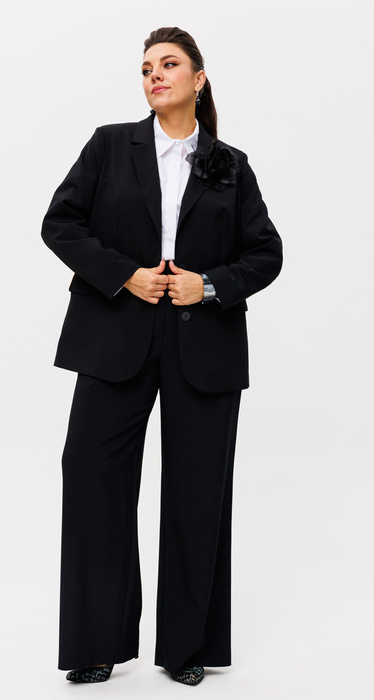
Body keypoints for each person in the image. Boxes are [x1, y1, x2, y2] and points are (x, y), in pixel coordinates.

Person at [40, 26, 283, 686]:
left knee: (198, 491)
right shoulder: (108, 145)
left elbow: (266, 253)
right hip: (115, 334)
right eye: (146, 66)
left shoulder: (230, 164)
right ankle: (96, 644)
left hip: (204, 343)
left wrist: (209, 286)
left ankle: (187, 646)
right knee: (91, 475)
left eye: (169, 64)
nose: (154, 75)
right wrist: (126, 275)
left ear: (198, 79)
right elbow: (60, 223)